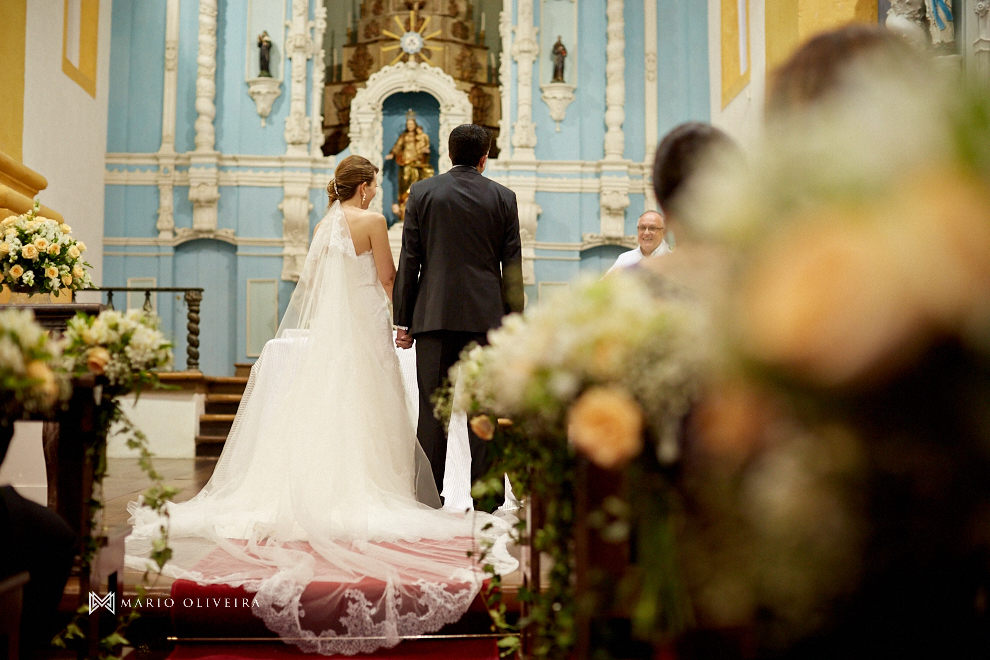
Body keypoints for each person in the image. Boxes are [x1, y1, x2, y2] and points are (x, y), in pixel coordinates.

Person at [125, 155, 514, 656]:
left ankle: (322, 482)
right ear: (364, 186)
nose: (377, 191)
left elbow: (310, 282)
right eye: (373, 183)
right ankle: (374, 483)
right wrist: (401, 317)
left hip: (334, 333)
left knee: (331, 411)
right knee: (372, 411)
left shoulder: (325, 224)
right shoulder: (372, 222)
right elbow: (389, 276)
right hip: (366, 331)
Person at [394, 124, 524, 505]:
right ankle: (485, 500)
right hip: (487, 319)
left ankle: (427, 497)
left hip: (433, 316)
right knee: (484, 409)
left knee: (433, 412)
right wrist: (514, 323)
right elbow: (512, 267)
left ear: (447, 154)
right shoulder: (504, 197)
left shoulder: (422, 192)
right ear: (485, 158)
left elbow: (411, 259)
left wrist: (404, 320)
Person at [385, 111, 435, 221]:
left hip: (417, 164)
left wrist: (425, 151)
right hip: (405, 164)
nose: (410, 126)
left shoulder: (420, 137)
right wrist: (392, 154)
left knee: (416, 185)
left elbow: (424, 147)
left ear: (415, 125)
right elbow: (398, 146)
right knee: (405, 182)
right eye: (408, 125)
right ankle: (403, 206)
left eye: (412, 124)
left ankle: (415, 205)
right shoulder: (403, 136)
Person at [605, 210, 670, 275]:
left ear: (664, 232)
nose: (646, 232)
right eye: (642, 228)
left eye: (652, 228)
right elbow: (605, 283)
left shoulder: (673, 259)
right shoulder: (624, 259)